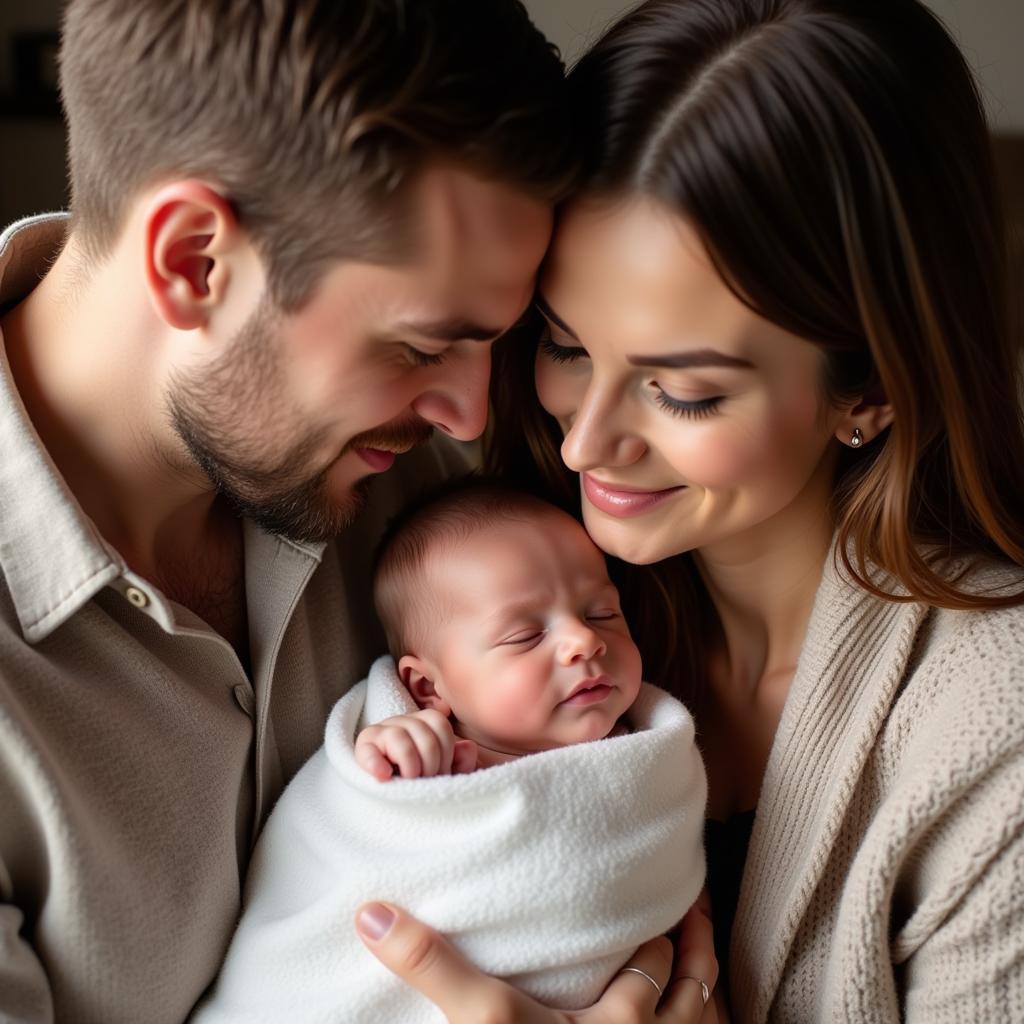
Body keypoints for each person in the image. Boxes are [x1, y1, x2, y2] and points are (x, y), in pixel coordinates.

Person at [355, 0, 1024, 1021]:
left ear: (869, 390)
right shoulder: (469, 561)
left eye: (685, 390)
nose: (584, 444)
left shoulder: (991, 730)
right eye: (568, 346)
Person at [0, 1, 598, 1019]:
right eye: (420, 346)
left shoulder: (431, 500)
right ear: (194, 261)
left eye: (494, 340)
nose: (466, 416)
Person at [193, 482, 706, 1022]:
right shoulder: (418, 756)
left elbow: (662, 877)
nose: (584, 640)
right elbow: (357, 832)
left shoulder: (646, 756)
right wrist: (393, 754)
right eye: (526, 635)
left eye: (603, 613)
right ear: (428, 690)